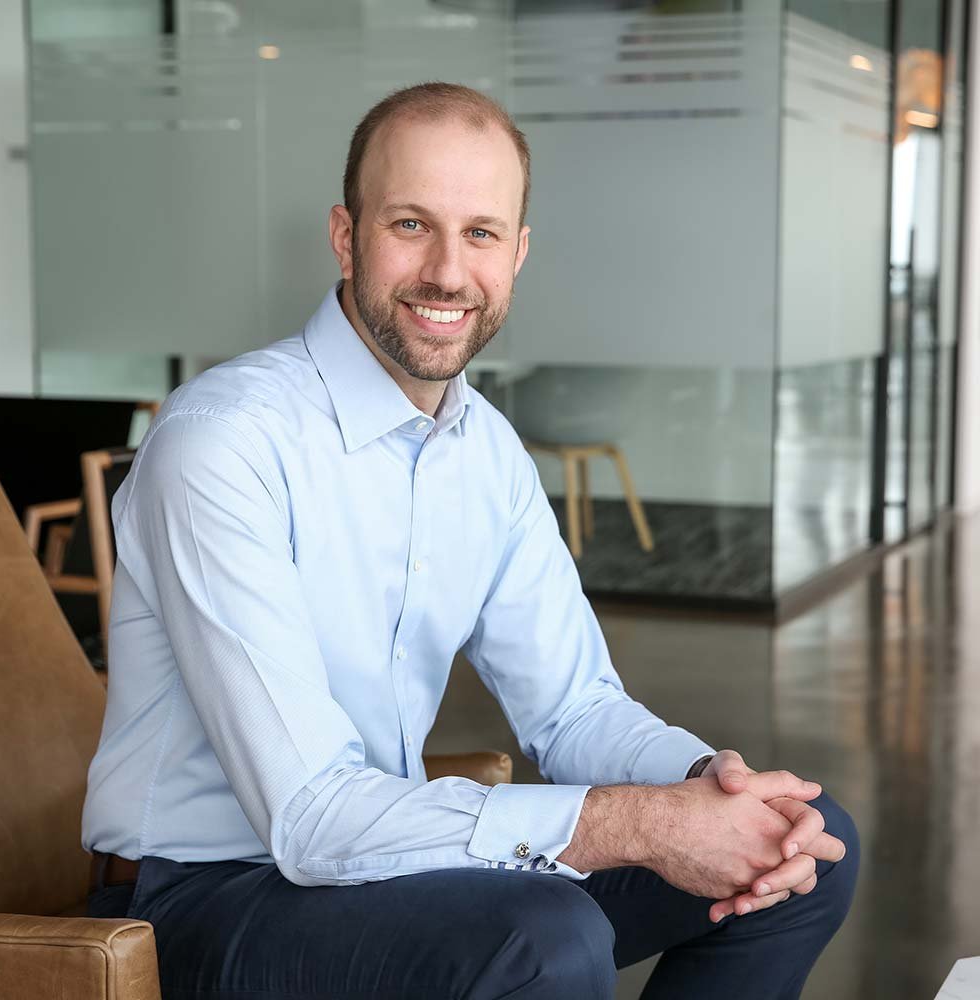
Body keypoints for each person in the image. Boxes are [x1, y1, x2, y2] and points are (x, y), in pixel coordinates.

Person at [83, 81, 858, 999]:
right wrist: (644, 825)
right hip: (196, 900)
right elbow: (310, 816)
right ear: (346, 235)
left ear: (518, 254)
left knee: (802, 851)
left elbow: (571, 708)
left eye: (481, 233)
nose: (448, 273)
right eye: (411, 224)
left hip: (383, 866)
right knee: (540, 934)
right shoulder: (223, 443)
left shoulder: (483, 448)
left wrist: (707, 784)